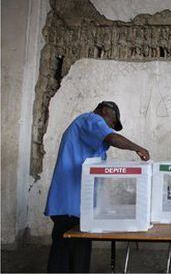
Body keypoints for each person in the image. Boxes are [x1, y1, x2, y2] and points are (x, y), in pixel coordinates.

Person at [44, 101, 150, 273]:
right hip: (69, 202)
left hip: (77, 203)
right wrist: (138, 148)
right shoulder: (89, 119)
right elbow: (113, 138)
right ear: (105, 110)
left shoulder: (89, 134)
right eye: (112, 122)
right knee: (64, 253)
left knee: (79, 250)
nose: (111, 127)